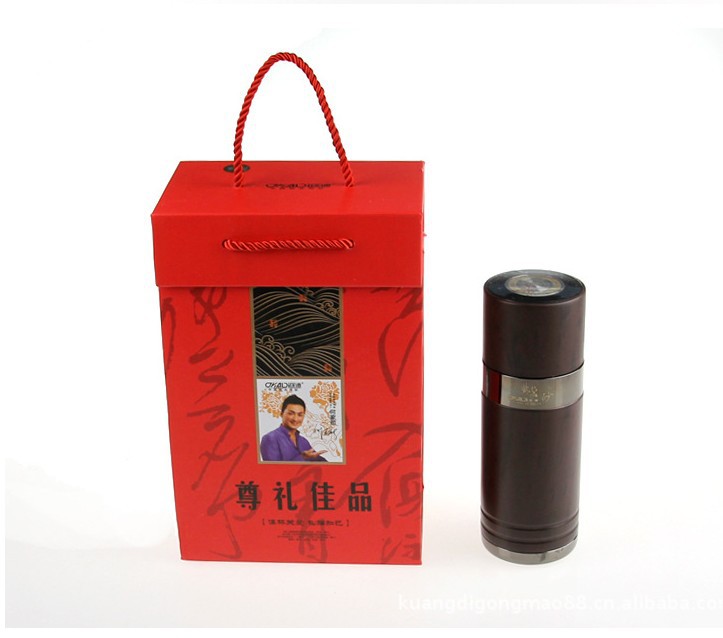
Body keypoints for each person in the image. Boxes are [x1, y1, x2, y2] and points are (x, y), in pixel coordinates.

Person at [260, 395, 327, 462]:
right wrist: (303, 457)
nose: (295, 419)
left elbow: (316, 460)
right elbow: (272, 468)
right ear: (281, 414)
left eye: (300, 415)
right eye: (291, 413)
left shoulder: (304, 441)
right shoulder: (270, 439)